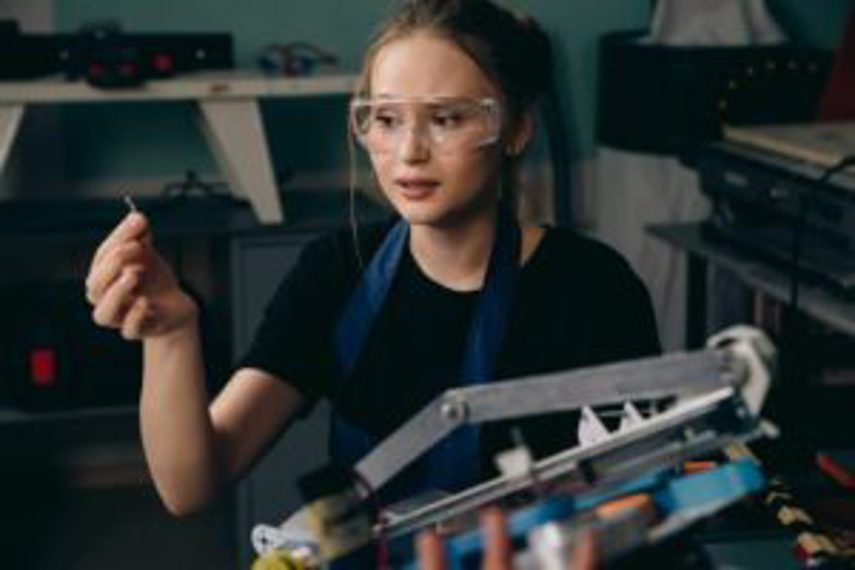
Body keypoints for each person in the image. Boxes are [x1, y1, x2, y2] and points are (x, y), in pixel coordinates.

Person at [85, 0, 660, 515]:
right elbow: (191, 486)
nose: (409, 152)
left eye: (447, 118)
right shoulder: (338, 270)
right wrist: (171, 334)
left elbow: (637, 496)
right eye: (386, 119)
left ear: (516, 129)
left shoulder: (592, 287)